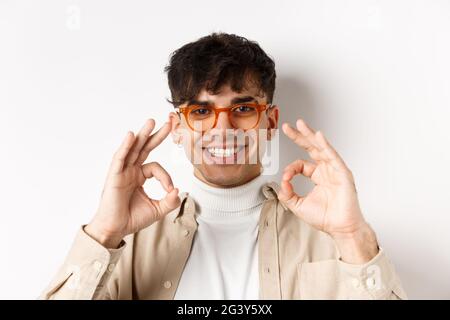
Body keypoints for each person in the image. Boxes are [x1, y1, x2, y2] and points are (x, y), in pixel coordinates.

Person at [40, 33, 406, 300]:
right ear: (178, 128)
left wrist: (353, 236)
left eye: (243, 109)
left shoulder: (332, 239)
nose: (223, 129)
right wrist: (104, 232)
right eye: (200, 112)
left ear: (270, 121)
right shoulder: (125, 244)